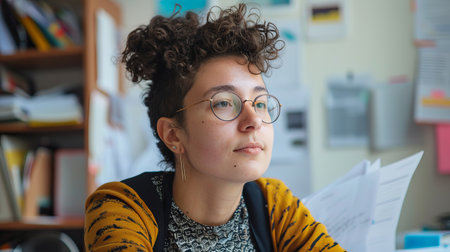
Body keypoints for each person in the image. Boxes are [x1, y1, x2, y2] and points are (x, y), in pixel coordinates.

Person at [84, 4, 346, 252]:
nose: (254, 120)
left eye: (261, 103)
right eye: (223, 103)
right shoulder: (124, 208)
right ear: (173, 135)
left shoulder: (275, 204)